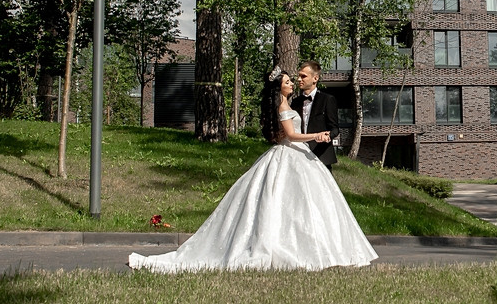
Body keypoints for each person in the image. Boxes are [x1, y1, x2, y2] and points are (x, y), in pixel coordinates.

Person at [128, 67, 377, 272]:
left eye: (296, 79)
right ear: (280, 87)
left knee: (304, 205)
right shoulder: (283, 107)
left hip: (301, 157)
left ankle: (315, 245)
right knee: (282, 202)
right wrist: (316, 135)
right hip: (290, 154)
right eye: (289, 81)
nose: (293, 83)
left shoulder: (292, 103)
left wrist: (322, 135)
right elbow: (291, 135)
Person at [290, 60, 339, 169]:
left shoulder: (327, 100)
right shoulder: (295, 102)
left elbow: (335, 129)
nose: (299, 79)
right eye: (299, 76)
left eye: (303, 76)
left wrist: (327, 136)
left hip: (321, 157)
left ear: (315, 78)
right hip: (299, 155)